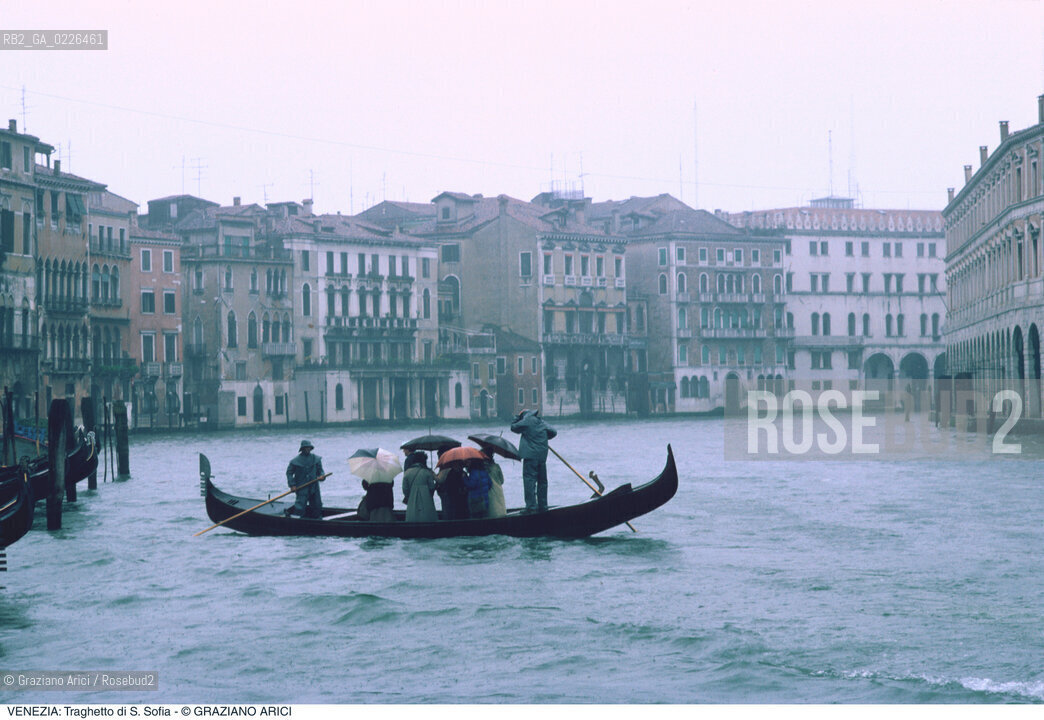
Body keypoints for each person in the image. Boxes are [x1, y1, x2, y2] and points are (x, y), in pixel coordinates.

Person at [510, 409, 557, 513]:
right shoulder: (541, 421)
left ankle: (531, 507)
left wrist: (517, 417)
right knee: (542, 482)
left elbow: (513, 427)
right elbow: (553, 432)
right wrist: (543, 436)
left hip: (530, 457)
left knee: (529, 481)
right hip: (542, 456)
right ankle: (543, 506)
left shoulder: (526, 420)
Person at [285, 439, 326, 518]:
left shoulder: (316, 459)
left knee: (317, 505)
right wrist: (292, 485)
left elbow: (320, 471)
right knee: (300, 506)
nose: (307, 449)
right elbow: (289, 473)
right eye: (306, 448)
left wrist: (322, 476)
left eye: (309, 448)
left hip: (314, 487)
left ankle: (317, 521)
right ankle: (296, 521)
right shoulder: (295, 461)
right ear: (302, 449)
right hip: (302, 487)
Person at [402, 450, 438, 522]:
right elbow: (432, 487)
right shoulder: (427, 472)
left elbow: (405, 490)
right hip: (427, 500)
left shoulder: (407, 473)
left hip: (412, 500)